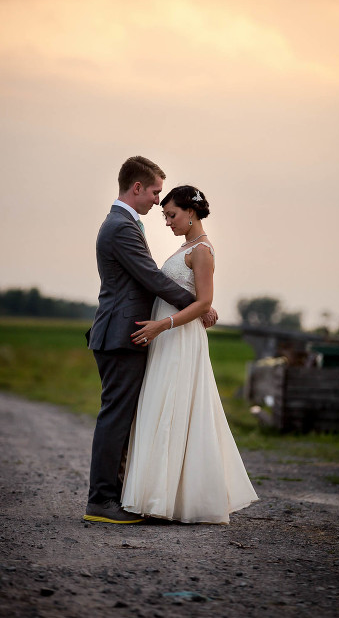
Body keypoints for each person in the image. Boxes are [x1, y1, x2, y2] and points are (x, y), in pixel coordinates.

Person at [84, 157, 217, 524]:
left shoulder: (124, 224)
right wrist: (200, 306)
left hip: (125, 333)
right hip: (121, 334)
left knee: (123, 418)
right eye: (156, 191)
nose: (159, 201)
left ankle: (120, 495)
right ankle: (101, 501)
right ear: (137, 188)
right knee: (116, 418)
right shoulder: (121, 226)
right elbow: (150, 277)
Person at [121, 185, 258, 524]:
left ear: (191, 212)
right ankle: (157, 497)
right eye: (165, 215)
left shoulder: (202, 251)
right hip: (168, 338)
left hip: (179, 338)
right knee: (159, 407)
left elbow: (204, 301)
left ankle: (165, 500)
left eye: (171, 215)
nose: (167, 221)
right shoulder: (184, 248)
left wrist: (161, 325)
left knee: (174, 409)